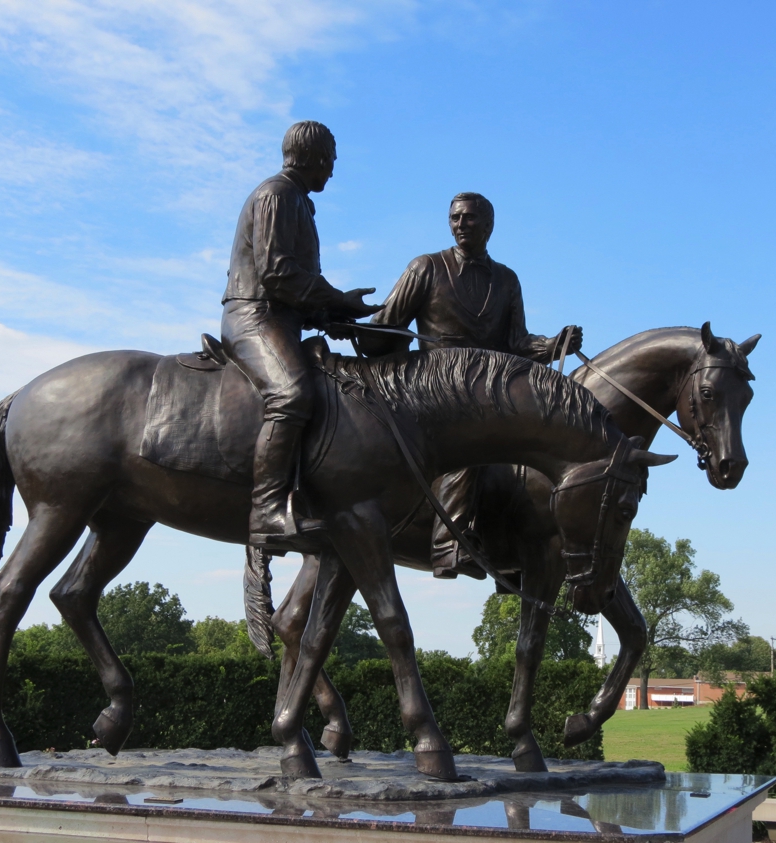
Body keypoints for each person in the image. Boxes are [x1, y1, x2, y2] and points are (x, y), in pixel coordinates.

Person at [368, 192, 582, 578]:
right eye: (454, 218)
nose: (460, 224)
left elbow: (517, 342)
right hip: (434, 383)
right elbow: (388, 322)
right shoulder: (426, 268)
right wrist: (357, 325)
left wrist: (552, 345)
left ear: (489, 225)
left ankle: (518, 545)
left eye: (468, 218)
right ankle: (450, 545)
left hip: (490, 384)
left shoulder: (506, 279)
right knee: (474, 432)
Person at [222, 121, 381, 553]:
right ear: (309, 157)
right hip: (254, 316)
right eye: (329, 160)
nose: (331, 171)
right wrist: (337, 299)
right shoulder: (277, 195)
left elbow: (296, 285)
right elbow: (277, 274)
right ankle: (267, 511)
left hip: (281, 318)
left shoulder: (298, 200)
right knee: (291, 394)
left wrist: (335, 312)